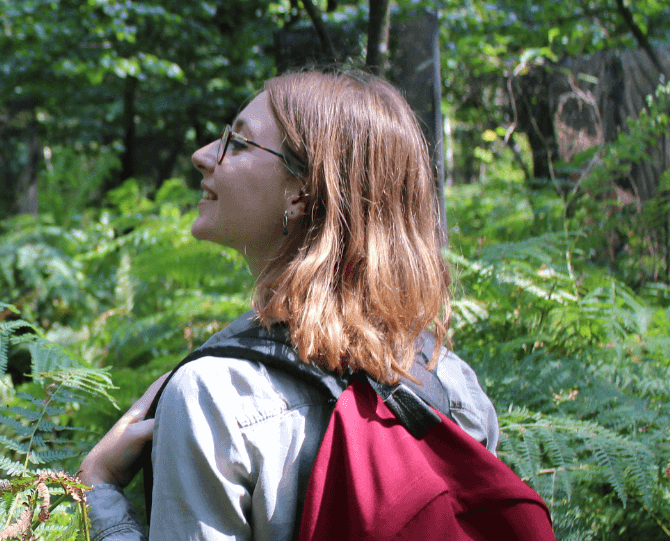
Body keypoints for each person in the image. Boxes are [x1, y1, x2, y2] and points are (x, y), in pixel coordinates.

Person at [75, 68, 502, 541]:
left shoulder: (212, 398)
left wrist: (98, 487)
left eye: (237, 144)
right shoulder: (452, 381)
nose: (201, 157)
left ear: (301, 191)